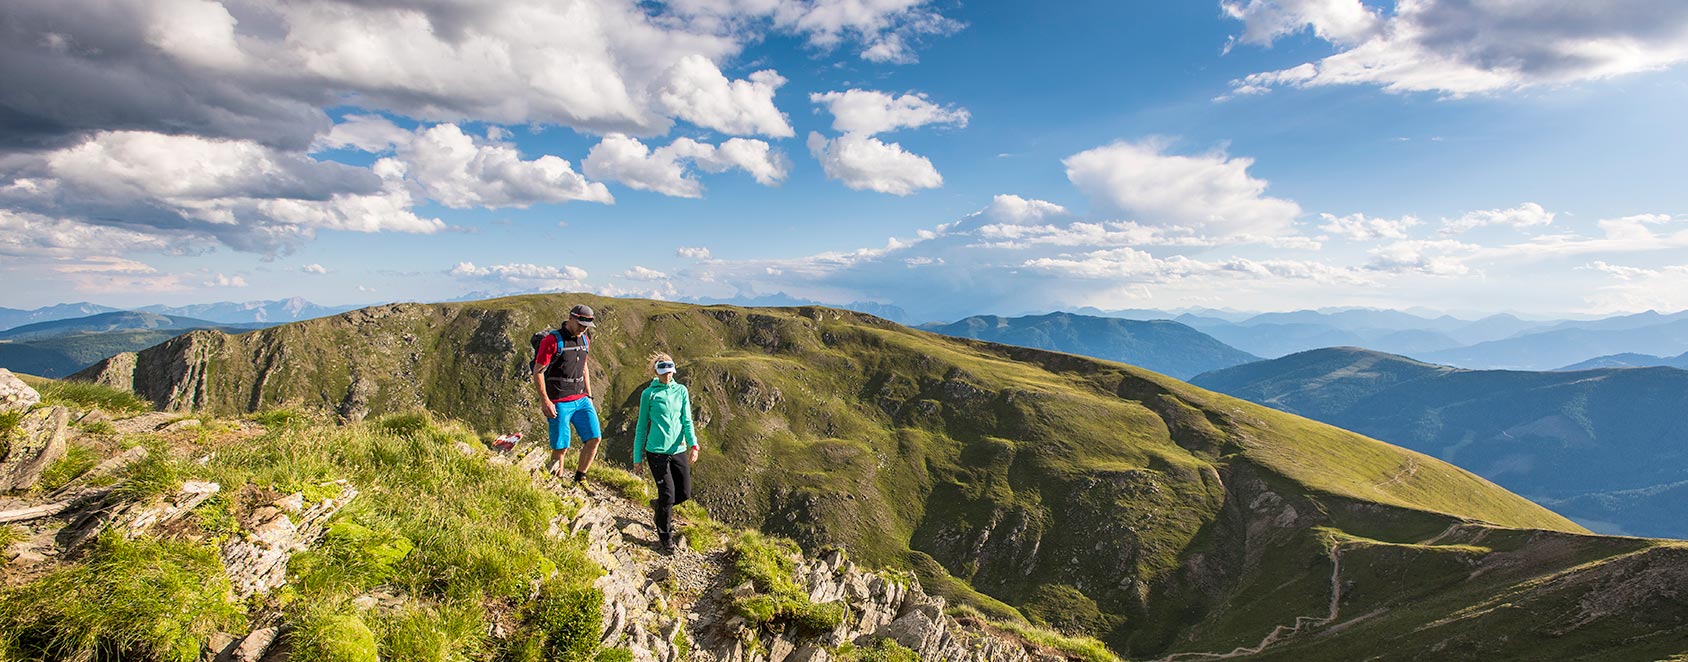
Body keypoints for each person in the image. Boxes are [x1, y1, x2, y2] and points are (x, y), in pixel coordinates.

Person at [632, 352, 699, 554]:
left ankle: (660, 506)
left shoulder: (681, 391)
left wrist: (694, 445)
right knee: (668, 495)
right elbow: (641, 427)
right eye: (663, 371)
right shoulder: (648, 394)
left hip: (678, 449)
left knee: (684, 493)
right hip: (656, 452)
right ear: (656, 372)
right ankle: (665, 537)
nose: (667, 375)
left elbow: (687, 419)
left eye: (670, 371)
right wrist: (637, 458)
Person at [532, 304, 603, 484]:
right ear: (570, 318)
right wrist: (545, 401)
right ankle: (557, 483)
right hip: (559, 401)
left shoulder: (585, 340)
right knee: (561, 446)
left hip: (582, 399)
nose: (583, 329)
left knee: (594, 438)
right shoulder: (552, 341)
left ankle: (580, 477)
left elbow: (584, 367)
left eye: (586, 326)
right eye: (580, 324)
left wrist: (589, 395)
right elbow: (538, 371)